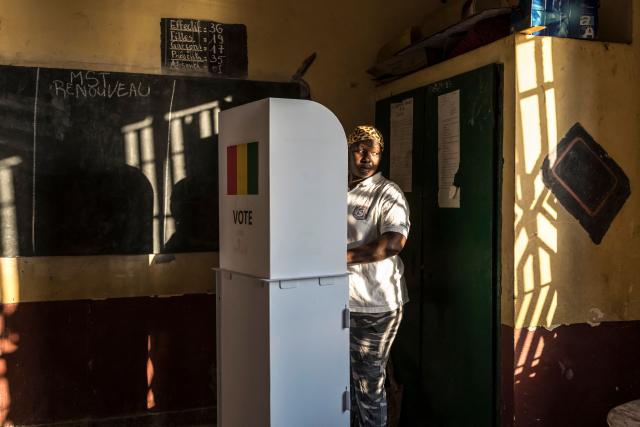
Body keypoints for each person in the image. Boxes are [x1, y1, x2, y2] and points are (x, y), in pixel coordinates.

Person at [346, 125, 410, 426]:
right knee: (348, 383)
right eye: (360, 150)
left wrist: (341, 257)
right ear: (348, 152)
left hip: (375, 306)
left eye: (374, 152)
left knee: (367, 386)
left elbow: (394, 242)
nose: (367, 157)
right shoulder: (340, 188)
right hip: (343, 303)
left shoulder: (387, 192)